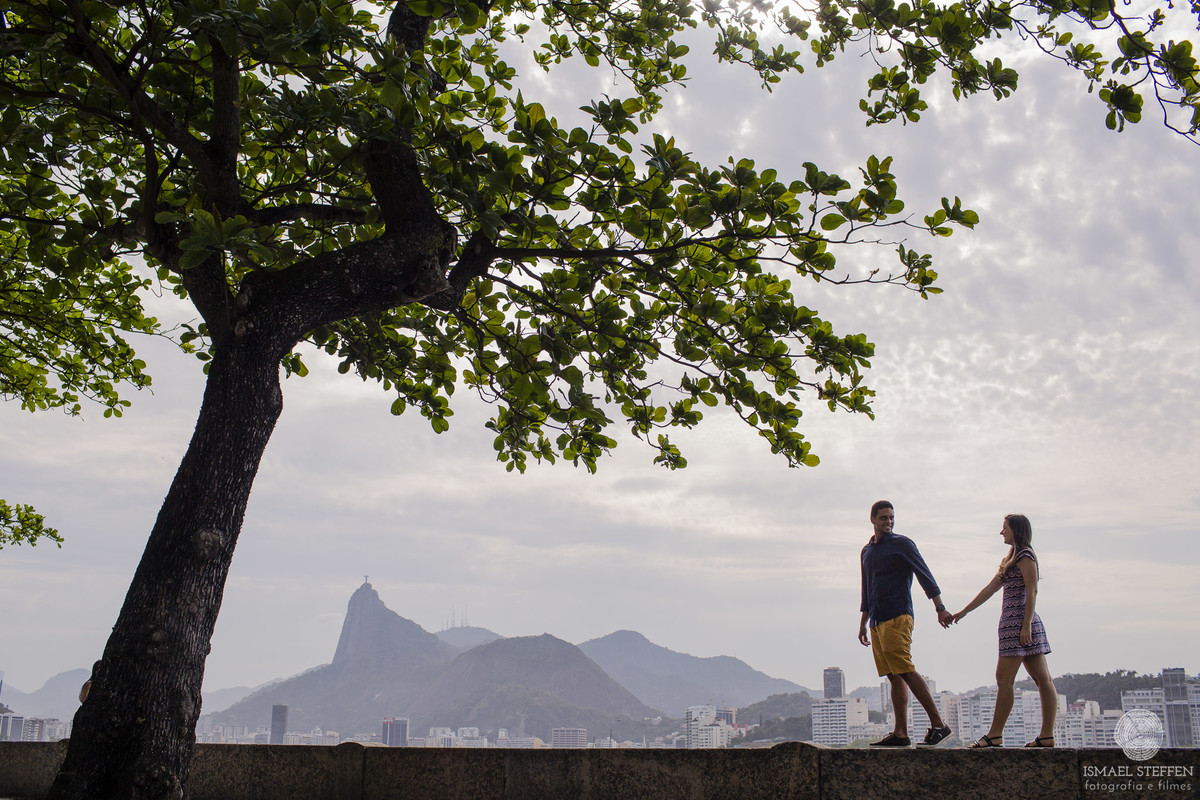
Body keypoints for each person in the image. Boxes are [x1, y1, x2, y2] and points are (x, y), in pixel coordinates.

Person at [951, 513, 1056, 748]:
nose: (1001, 532)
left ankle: (996, 734)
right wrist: (965, 611)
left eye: (1004, 528)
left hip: (1019, 623)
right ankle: (1045, 736)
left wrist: (1026, 624)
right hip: (1014, 623)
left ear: (1015, 530)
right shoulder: (1011, 558)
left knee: (1006, 678)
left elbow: (1032, 591)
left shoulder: (1025, 556)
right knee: (1040, 679)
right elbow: (990, 588)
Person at [858, 500, 954, 747]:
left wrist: (940, 608)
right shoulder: (867, 551)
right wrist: (863, 622)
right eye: (883, 518)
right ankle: (901, 733)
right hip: (877, 620)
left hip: (898, 616)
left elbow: (925, 576)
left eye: (891, 518)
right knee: (893, 675)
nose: (888, 522)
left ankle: (939, 725)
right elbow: (866, 589)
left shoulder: (903, 544)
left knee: (904, 668)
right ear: (873, 520)